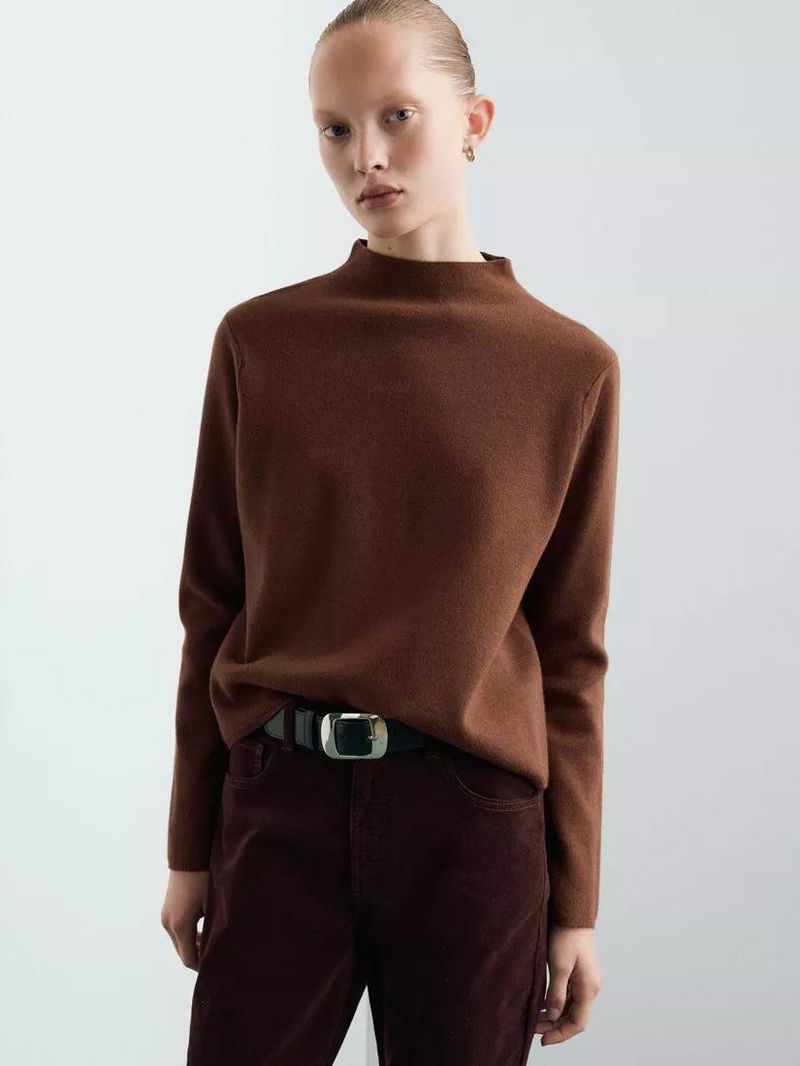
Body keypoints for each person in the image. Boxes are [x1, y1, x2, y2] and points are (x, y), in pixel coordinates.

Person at [160, 1, 620, 1062]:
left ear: (473, 122)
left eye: (395, 116)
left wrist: (576, 904)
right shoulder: (261, 343)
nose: (363, 154)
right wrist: (190, 844)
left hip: (473, 827)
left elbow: (569, 649)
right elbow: (211, 605)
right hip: (279, 804)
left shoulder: (568, 368)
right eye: (334, 128)